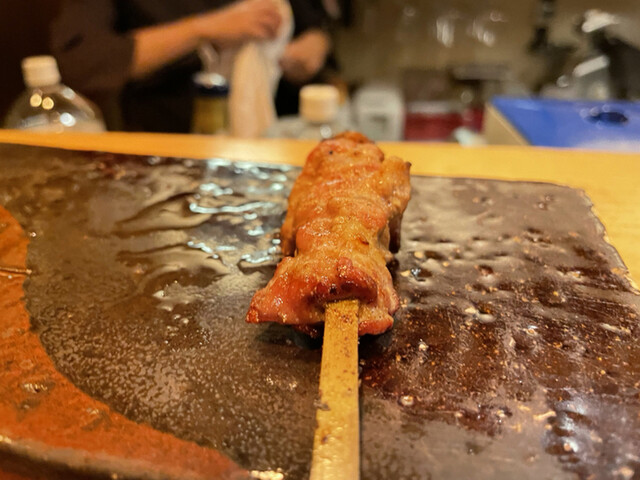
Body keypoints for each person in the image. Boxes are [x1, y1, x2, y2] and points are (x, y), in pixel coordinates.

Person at [50, 0, 331, 132]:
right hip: (163, 151)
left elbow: (315, 29)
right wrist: (203, 29)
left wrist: (308, 50)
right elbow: (82, 60)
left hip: (274, 140)